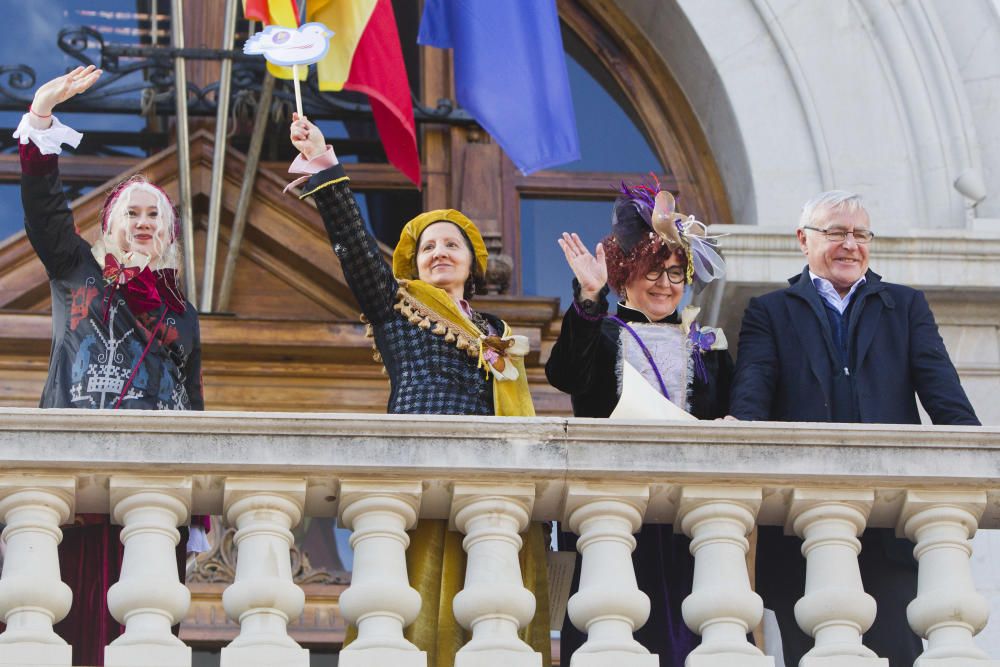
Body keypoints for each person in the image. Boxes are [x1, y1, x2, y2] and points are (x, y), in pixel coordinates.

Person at [286, 114, 549, 666]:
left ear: (472, 261)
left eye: (452, 245)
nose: (439, 253)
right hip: (414, 466)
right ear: (415, 262)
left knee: (481, 608)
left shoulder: (497, 330)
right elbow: (357, 252)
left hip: (484, 479)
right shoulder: (397, 306)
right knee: (408, 601)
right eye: (428, 247)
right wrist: (326, 167)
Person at [729, 190, 980, 666]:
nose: (850, 244)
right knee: (811, 658)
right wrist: (737, 426)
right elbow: (752, 398)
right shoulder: (770, 312)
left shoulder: (905, 307)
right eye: (837, 232)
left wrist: (973, 460)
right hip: (798, 533)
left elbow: (947, 400)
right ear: (803, 240)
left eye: (860, 234)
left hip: (889, 535)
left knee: (899, 651)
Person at [15, 65, 207, 665]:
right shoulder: (79, 272)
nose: (144, 222)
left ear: (168, 232)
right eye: (133, 213)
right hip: (74, 479)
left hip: (154, 485)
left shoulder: (182, 312)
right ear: (111, 228)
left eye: (155, 215)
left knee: (143, 634)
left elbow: (191, 398)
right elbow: (45, 212)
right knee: (63, 622)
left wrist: (199, 507)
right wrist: (42, 116)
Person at [545, 180, 732, 666]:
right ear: (625, 273)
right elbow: (565, 374)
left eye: (675, 273)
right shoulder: (602, 331)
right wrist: (588, 297)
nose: (666, 284)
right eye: (654, 271)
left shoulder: (706, 343)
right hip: (611, 508)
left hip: (685, 519)